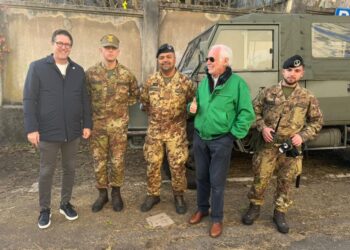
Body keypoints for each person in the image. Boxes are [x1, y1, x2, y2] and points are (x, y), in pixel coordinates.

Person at [241, 55, 323, 234]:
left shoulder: (307, 97)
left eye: (296, 71)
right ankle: (254, 206)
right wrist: (262, 127)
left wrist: (302, 136)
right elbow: (252, 112)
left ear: (302, 74)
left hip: (291, 148)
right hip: (268, 145)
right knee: (260, 177)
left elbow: (316, 121)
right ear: (282, 71)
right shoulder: (268, 92)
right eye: (289, 70)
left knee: (286, 181)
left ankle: (280, 212)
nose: (292, 74)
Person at [23, 29, 92, 229]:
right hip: (47, 131)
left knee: (69, 169)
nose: (63, 47)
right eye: (60, 43)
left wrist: (87, 124)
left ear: (71, 47)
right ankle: (44, 209)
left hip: (72, 132)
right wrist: (31, 128)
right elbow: (29, 99)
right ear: (52, 44)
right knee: (46, 171)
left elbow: (84, 100)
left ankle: (65, 203)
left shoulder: (77, 71)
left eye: (67, 44)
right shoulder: (37, 68)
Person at [188, 44, 255, 238]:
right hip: (200, 138)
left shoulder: (237, 84)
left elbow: (246, 113)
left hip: (221, 141)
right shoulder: (203, 83)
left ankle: (216, 218)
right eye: (207, 59)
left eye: (211, 59)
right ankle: (202, 209)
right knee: (201, 177)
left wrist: (231, 136)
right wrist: (190, 108)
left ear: (225, 61)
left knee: (217, 182)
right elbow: (196, 105)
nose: (207, 63)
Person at [85, 34, 139, 212]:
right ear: (101, 50)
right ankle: (102, 194)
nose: (110, 51)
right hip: (97, 127)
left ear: (118, 51)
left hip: (118, 128)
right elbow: (84, 98)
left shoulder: (127, 74)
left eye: (113, 48)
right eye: (107, 48)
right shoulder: (90, 74)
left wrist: (121, 109)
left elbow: (134, 94)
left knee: (117, 162)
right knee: (98, 161)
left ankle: (116, 192)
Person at [140, 43, 196, 214]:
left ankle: (178, 195)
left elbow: (193, 104)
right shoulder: (150, 81)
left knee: (178, 165)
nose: (165, 60)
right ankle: (153, 194)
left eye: (168, 57)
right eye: (162, 57)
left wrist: (187, 112)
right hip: (155, 132)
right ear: (158, 60)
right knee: (153, 163)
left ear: (174, 59)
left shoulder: (185, 82)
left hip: (176, 132)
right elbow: (144, 103)